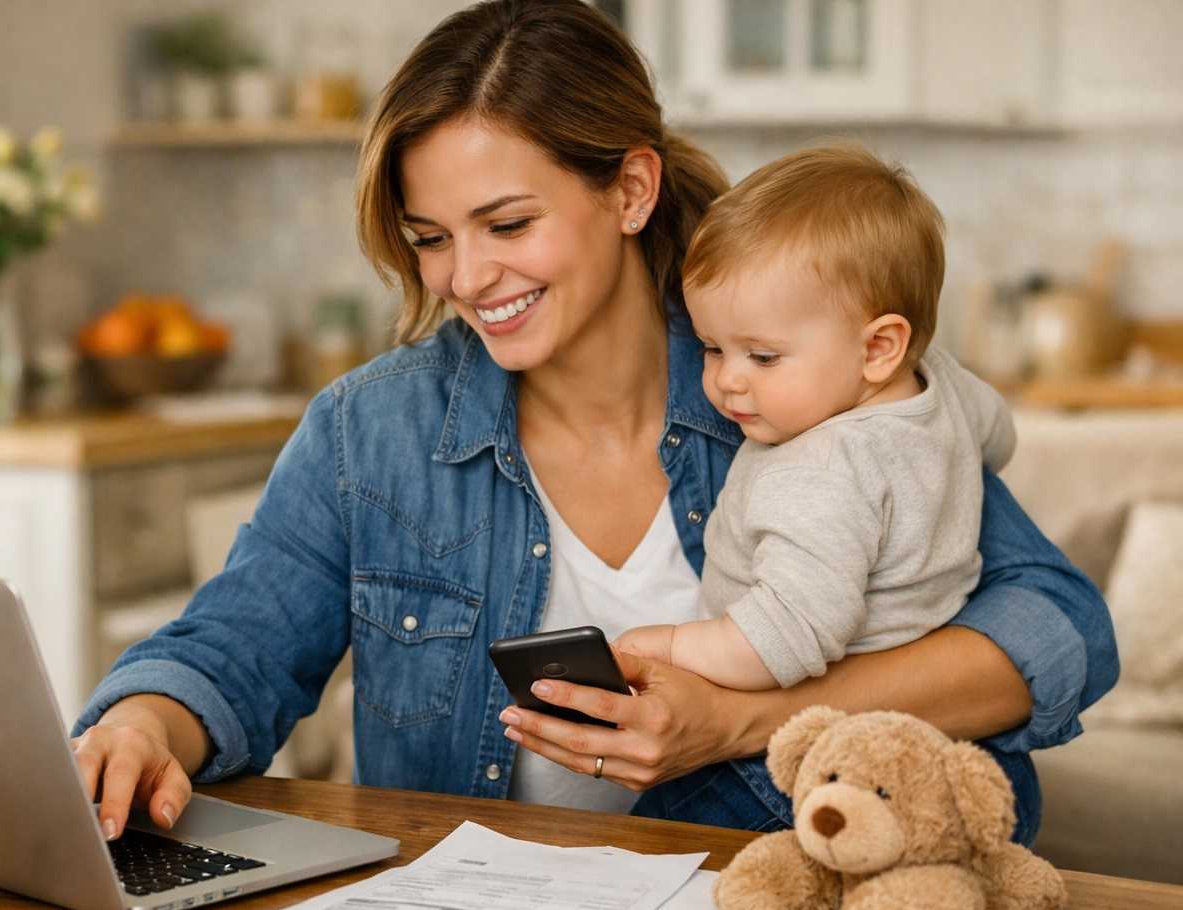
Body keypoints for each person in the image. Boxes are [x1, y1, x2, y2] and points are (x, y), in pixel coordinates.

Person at [71, 0, 1115, 845]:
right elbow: (233, 649)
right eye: (431, 238)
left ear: (630, 190)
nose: (466, 278)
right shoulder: (370, 431)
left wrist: (741, 724)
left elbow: (1054, 629)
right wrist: (142, 724)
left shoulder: (793, 384)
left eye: (508, 223)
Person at [622, 146, 1018, 691]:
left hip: (803, 712)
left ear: (878, 347)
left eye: (763, 357)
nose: (727, 378)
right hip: (921, 677)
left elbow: (782, 640)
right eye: (711, 348)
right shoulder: (942, 383)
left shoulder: (816, 470)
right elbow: (999, 438)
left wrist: (669, 647)